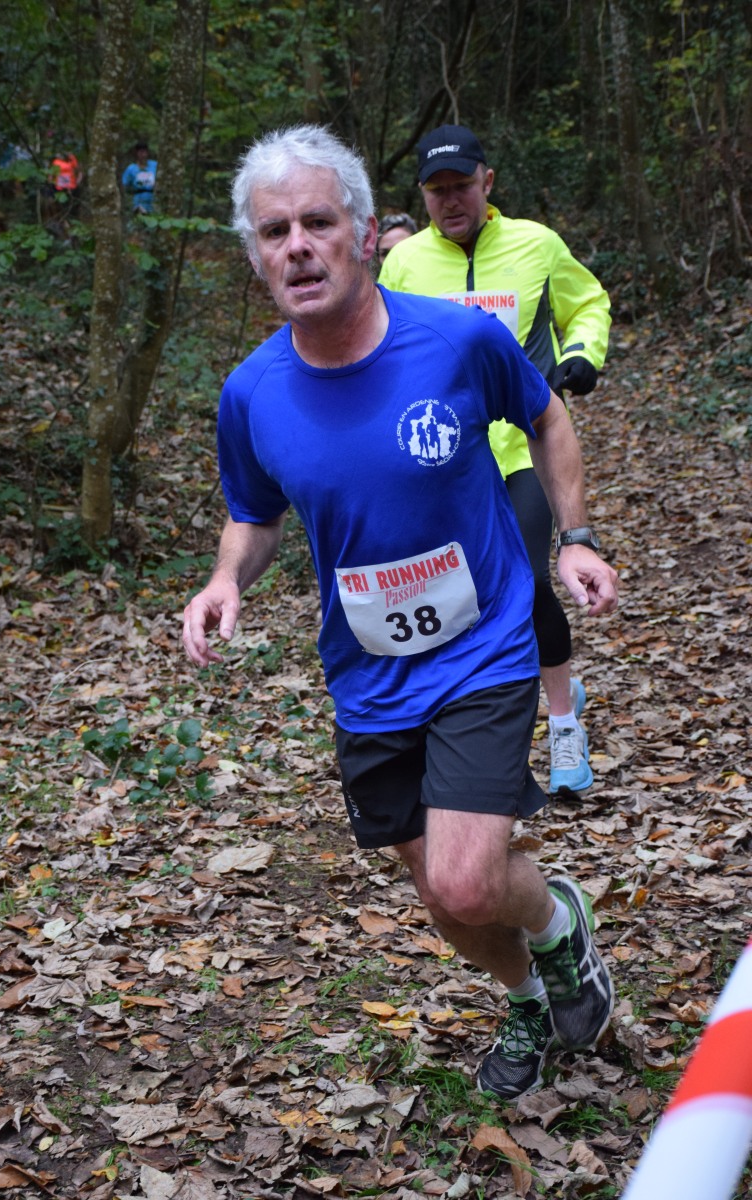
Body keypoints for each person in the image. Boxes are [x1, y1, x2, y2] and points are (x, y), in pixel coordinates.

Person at [182, 124, 618, 1101]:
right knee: (440, 897)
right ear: (255, 256)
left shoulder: (456, 342)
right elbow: (253, 514)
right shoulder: (251, 394)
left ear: (365, 233)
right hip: (368, 676)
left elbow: (546, 415)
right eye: (274, 232)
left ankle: (559, 926)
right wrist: (226, 581)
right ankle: (527, 997)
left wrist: (576, 538)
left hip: (481, 645)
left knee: (466, 879)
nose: (298, 246)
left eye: (317, 223)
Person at [379, 124, 611, 799]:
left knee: (528, 582)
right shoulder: (405, 263)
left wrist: (582, 354)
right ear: (422, 195)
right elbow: (380, 346)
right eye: (436, 190)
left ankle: (562, 721)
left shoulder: (536, 244)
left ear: (487, 181)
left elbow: (588, 303)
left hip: (521, 450)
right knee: (455, 597)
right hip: (442, 461)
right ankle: (464, 729)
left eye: (461, 185)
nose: (450, 200)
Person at [122, 141, 158, 215]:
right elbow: (124, 184)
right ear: (137, 153)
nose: (143, 155)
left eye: (145, 152)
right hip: (138, 198)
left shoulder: (154, 165)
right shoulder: (131, 168)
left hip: (153, 197)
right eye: (141, 152)